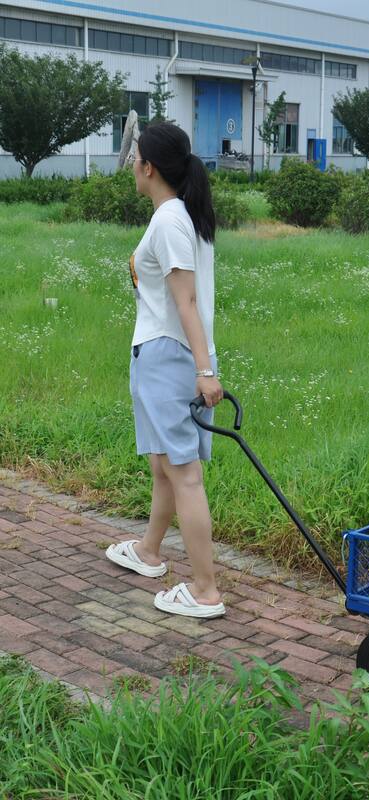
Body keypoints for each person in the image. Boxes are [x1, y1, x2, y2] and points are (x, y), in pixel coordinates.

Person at [105, 122, 225, 619]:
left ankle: (205, 590)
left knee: (184, 474)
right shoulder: (179, 215)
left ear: (148, 166)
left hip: (170, 357)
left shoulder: (171, 220)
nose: (132, 164)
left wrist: (204, 370)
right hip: (168, 355)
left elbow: (187, 301)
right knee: (164, 464)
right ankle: (151, 552)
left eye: (135, 156)